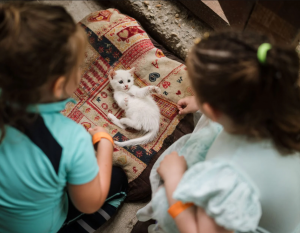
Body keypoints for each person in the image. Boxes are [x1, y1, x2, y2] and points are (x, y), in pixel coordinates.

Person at [137, 31, 300, 233]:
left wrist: (174, 178)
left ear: (214, 110)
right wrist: (200, 103)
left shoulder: (230, 175)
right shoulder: (278, 107)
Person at [0, 3, 127, 233]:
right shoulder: (71, 140)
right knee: (118, 181)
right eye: (78, 66)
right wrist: (105, 143)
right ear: (59, 86)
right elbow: (90, 203)